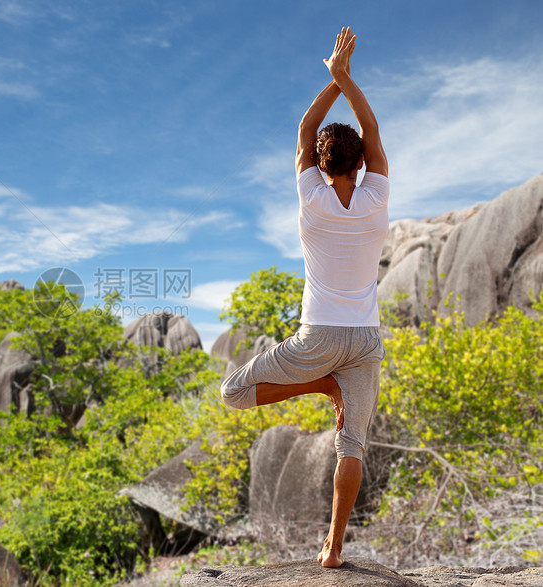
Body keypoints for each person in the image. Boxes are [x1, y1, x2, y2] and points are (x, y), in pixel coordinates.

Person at [219, 27, 389, 568]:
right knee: (352, 445)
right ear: (361, 165)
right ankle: (334, 548)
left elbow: (305, 128)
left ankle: (321, 386)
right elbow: (373, 128)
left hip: (317, 338)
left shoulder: (310, 197)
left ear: (319, 163)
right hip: (364, 339)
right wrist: (347, 79)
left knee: (232, 392)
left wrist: (331, 80)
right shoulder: (376, 197)